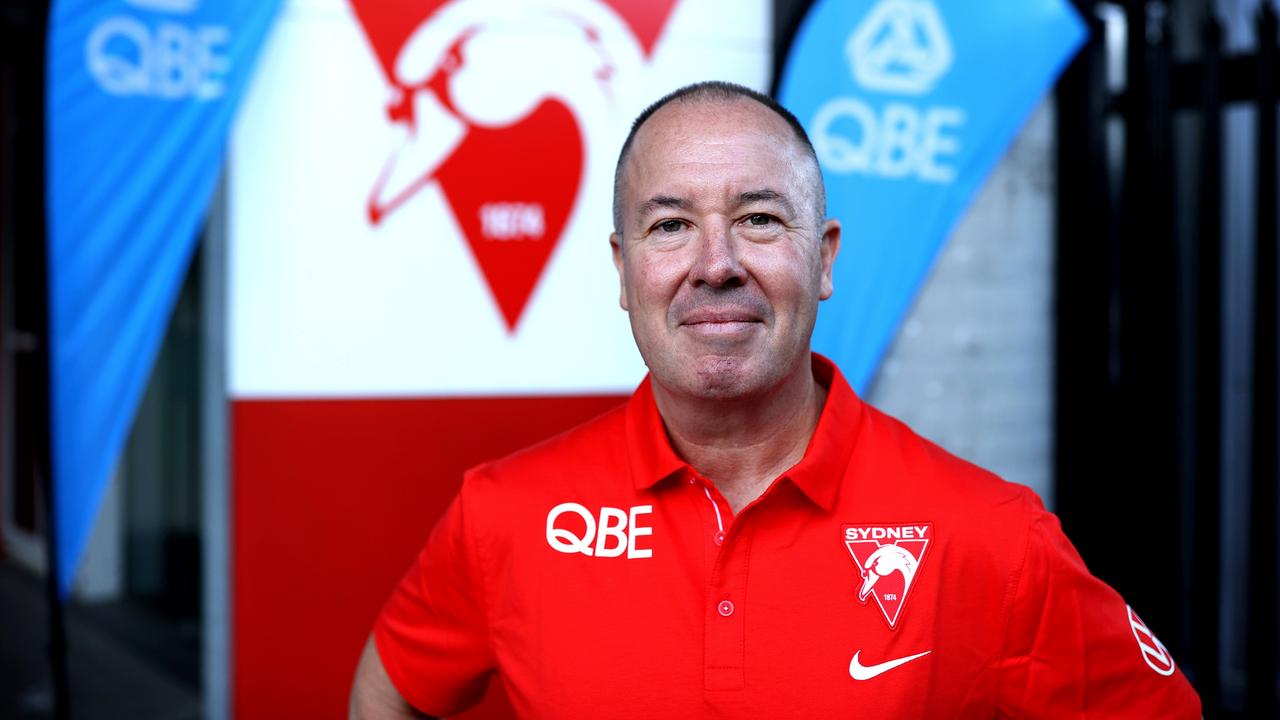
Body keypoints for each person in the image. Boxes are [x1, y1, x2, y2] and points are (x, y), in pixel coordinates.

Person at [349, 81, 1201, 719]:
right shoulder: (505, 513)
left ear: (824, 260)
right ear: (623, 271)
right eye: (670, 224)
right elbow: (390, 691)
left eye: (759, 219)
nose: (714, 263)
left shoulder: (993, 540)